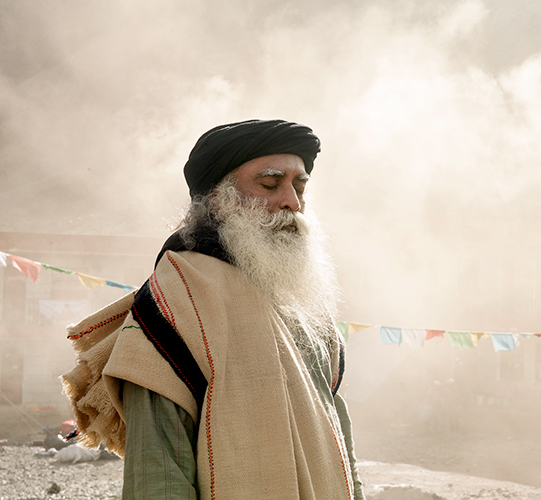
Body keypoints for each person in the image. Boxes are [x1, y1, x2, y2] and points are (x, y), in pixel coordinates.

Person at [61, 119, 365, 499]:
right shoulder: (178, 297)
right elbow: (159, 473)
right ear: (219, 198)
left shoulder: (305, 307)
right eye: (270, 184)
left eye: (299, 186)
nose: (292, 202)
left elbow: (340, 443)